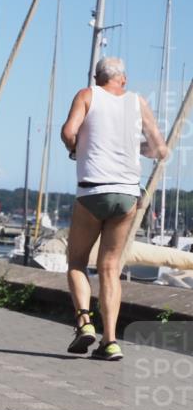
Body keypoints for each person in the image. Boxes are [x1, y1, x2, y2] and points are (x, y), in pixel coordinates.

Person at [60, 57, 167, 361]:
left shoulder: (87, 95)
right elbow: (159, 149)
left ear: (97, 78)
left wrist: (75, 149)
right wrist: (138, 149)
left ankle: (84, 323)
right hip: (126, 195)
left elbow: (69, 132)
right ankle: (111, 341)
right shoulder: (138, 102)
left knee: (78, 262)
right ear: (124, 79)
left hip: (93, 190)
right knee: (110, 268)